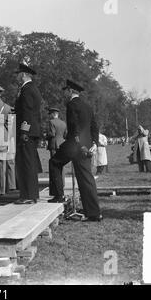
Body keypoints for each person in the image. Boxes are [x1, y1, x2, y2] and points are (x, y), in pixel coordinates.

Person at [48, 79, 102, 222]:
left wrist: (80, 144)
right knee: (86, 177)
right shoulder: (87, 106)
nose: (64, 93)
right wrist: (94, 143)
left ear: (71, 91)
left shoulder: (71, 104)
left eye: (65, 90)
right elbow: (94, 127)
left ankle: (58, 196)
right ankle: (94, 212)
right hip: (88, 144)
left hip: (75, 145)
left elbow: (73, 126)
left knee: (54, 162)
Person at [14, 63, 42, 204]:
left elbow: (28, 113)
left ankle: (29, 195)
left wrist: (24, 130)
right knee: (27, 163)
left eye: (18, 74)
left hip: (27, 131)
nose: (16, 76)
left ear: (24, 74)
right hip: (31, 130)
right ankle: (29, 194)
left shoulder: (27, 90)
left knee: (27, 164)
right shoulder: (31, 89)